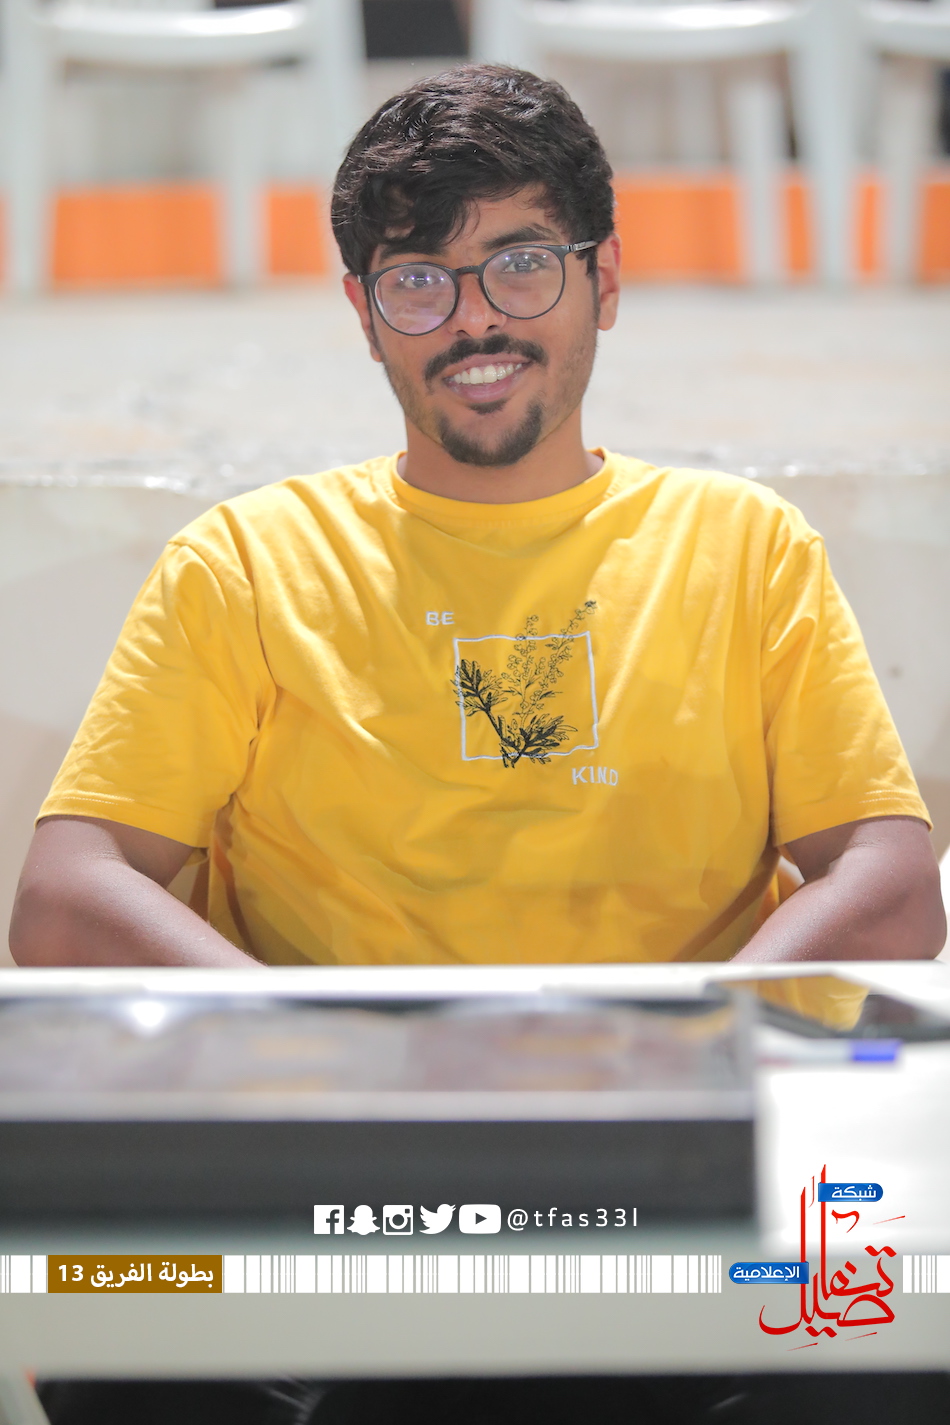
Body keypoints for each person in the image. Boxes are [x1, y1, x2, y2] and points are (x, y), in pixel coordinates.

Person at [9, 65, 944, 975]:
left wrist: (689, 1030)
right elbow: (65, 898)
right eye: (419, 280)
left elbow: (892, 884)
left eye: (522, 265)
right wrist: (314, 1043)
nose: (473, 321)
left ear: (605, 279)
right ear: (365, 316)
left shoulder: (747, 548)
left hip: (674, 1071)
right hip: (351, 1075)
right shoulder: (248, 565)